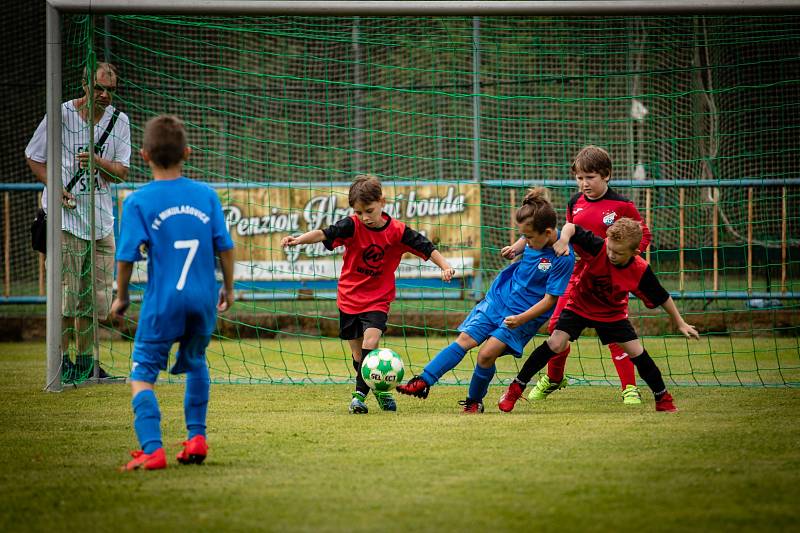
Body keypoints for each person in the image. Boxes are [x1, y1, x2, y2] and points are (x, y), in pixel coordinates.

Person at [111, 115, 234, 471]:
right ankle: (197, 436)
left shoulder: (138, 201)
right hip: (202, 300)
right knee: (196, 362)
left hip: (163, 302)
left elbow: (126, 254)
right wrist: (228, 287)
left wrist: (121, 296)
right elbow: (225, 246)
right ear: (187, 153)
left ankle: (152, 449)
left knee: (142, 373)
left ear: (144, 154)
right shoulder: (205, 195)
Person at [281, 174, 455, 414]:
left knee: (371, 342)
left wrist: (445, 266)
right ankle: (381, 391)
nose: (364, 217)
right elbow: (323, 233)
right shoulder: (351, 225)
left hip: (378, 299)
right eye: (359, 212)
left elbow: (426, 247)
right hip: (349, 298)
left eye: (369, 211)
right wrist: (298, 240)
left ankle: (358, 397)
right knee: (358, 356)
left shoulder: (398, 231)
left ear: (382, 202)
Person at [397, 189, 575, 413]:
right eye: (524, 236)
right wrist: (516, 247)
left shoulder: (562, 257)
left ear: (548, 233)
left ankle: (474, 401)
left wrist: (520, 319)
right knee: (465, 339)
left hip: (522, 315)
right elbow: (526, 238)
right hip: (500, 298)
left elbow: (550, 301)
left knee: (486, 355)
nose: (526, 241)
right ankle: (423, 381)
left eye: (529, 238)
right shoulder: (533, 237)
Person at [497, 218, 700, 413]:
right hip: (580, 306)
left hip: (613, 314)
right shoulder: (598, 246)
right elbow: (571, 226)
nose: (611, 254)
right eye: (610, 248)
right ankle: (514, 390)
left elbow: (663, 297)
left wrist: (680, 322)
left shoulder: (640, 270)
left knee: (636, 352)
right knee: (556, 343)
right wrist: (564, 240)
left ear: (635, 252)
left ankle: (663, 399)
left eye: (618, 253)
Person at [502, 145, 652, 405]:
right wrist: (521, 244)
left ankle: (629, 387)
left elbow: (643, 235)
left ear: (606, 175)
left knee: (618, 332)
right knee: (556, 328)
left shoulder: (622, 205)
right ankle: (554, 378)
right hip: (575, 276)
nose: (584, 183)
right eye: (580, 178)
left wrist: (625, 259)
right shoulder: (575, 203)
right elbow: (558, 233)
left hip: (609, 281)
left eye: (590, 177)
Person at [25, 62, 131, 382]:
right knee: (67, 296)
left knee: (96, 298)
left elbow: (122, 172)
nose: (104, 95)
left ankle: (87, 364)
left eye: (110, 91)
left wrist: (97, 161)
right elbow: (34, 156)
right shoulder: (60, 115)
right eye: (98, 88)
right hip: (66, 219)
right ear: (84, 85)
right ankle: (60, 362)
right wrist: (55, 189)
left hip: (101, 220)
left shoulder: (119, 121)